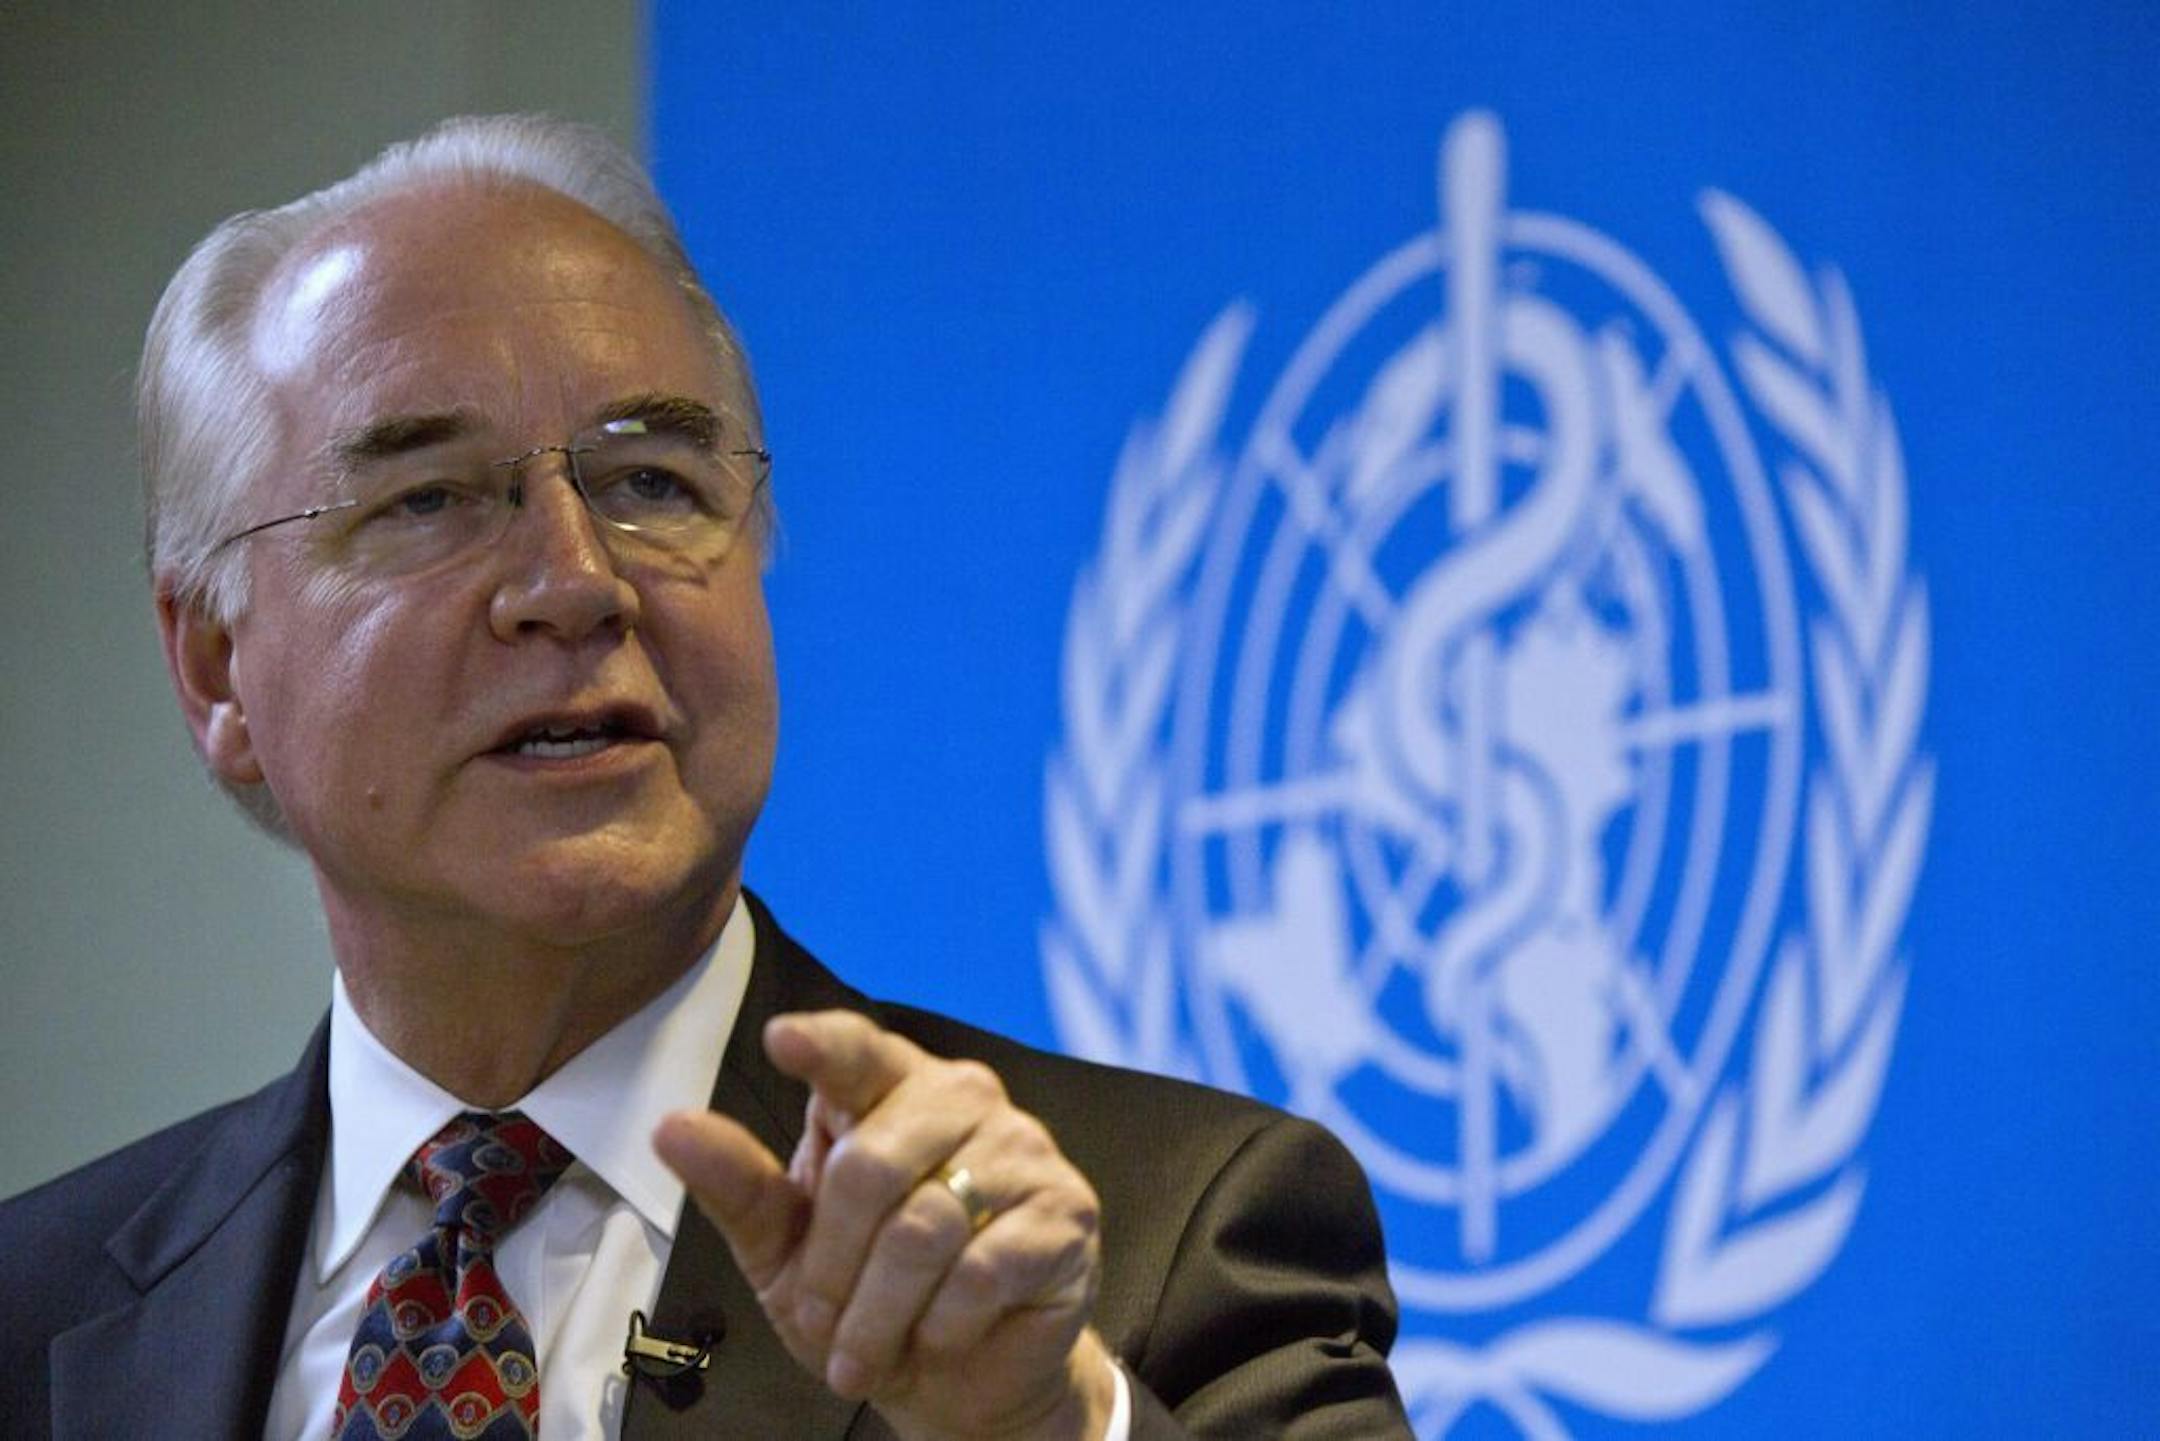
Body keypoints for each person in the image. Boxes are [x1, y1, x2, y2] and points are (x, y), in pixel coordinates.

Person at [0, 115, 1407, 1439]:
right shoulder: (41, 1310)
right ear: (216, 665)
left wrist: (1035, 1421)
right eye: (427, 497)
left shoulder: (1158, 1244)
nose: (573, 580)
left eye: (653, 481)